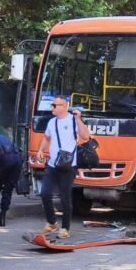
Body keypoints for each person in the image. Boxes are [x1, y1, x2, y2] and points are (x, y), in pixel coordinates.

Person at [36, 96, 89, 238]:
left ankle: (65, 228)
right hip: (53, 165)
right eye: (52, 105)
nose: (52, 107)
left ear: (64, 106)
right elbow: (47, 137)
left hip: (68, 166)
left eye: (55, 105)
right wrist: (41, 150)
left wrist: (78, 119)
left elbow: (85, 136)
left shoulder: (73, 120)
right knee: (45, 193)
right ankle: (51, 223)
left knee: (65, 198)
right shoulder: (52, 122)